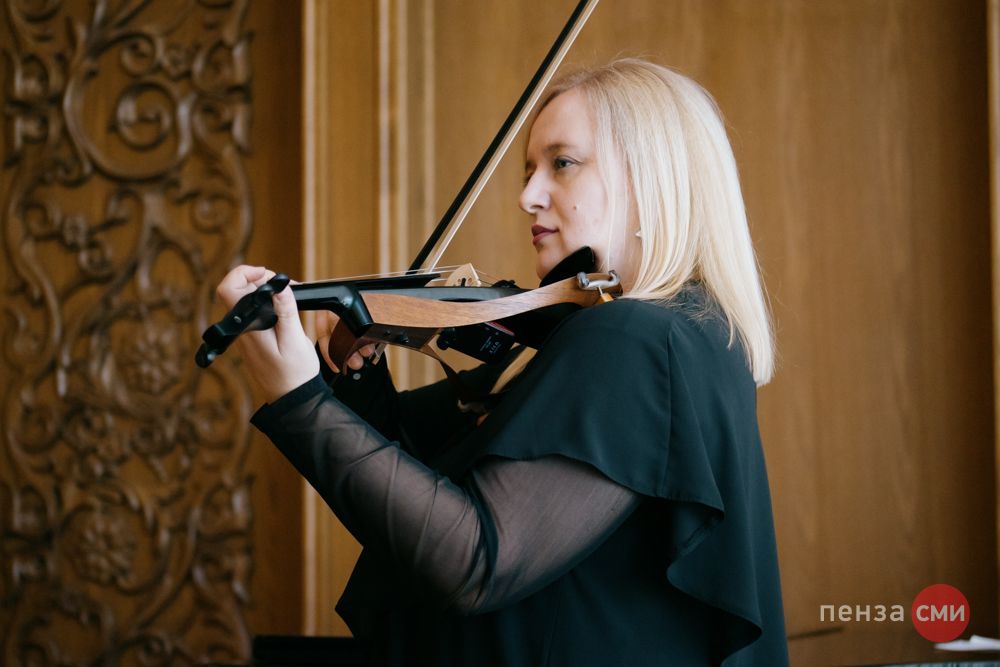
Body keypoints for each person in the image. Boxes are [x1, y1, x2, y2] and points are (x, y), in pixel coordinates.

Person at [217, 58, 788, 666]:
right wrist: (354, 378)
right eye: (529, 170)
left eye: (562, 163)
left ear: (654, 177)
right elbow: (420, 481)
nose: (527, 196)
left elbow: (472, 560)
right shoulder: (684, 331)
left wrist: (300, 401)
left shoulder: (636, 339)